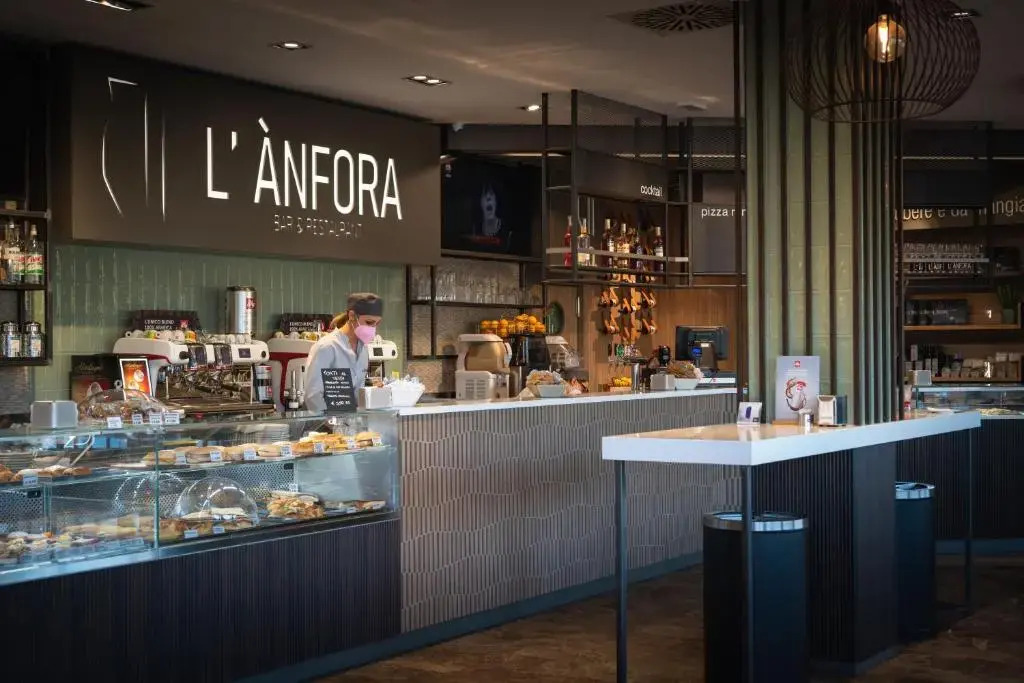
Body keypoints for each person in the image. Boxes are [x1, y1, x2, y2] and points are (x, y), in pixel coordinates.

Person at [303, 292, 383, 412]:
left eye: (377, 324)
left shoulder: (363, 350)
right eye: (369, 322)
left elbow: (356, 394)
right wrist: (331, 421)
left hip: (350, 420)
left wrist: (371, 394)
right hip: (325, 422)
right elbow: (313, 397)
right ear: (352, 316)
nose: (373, 328)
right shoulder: (327, 347)